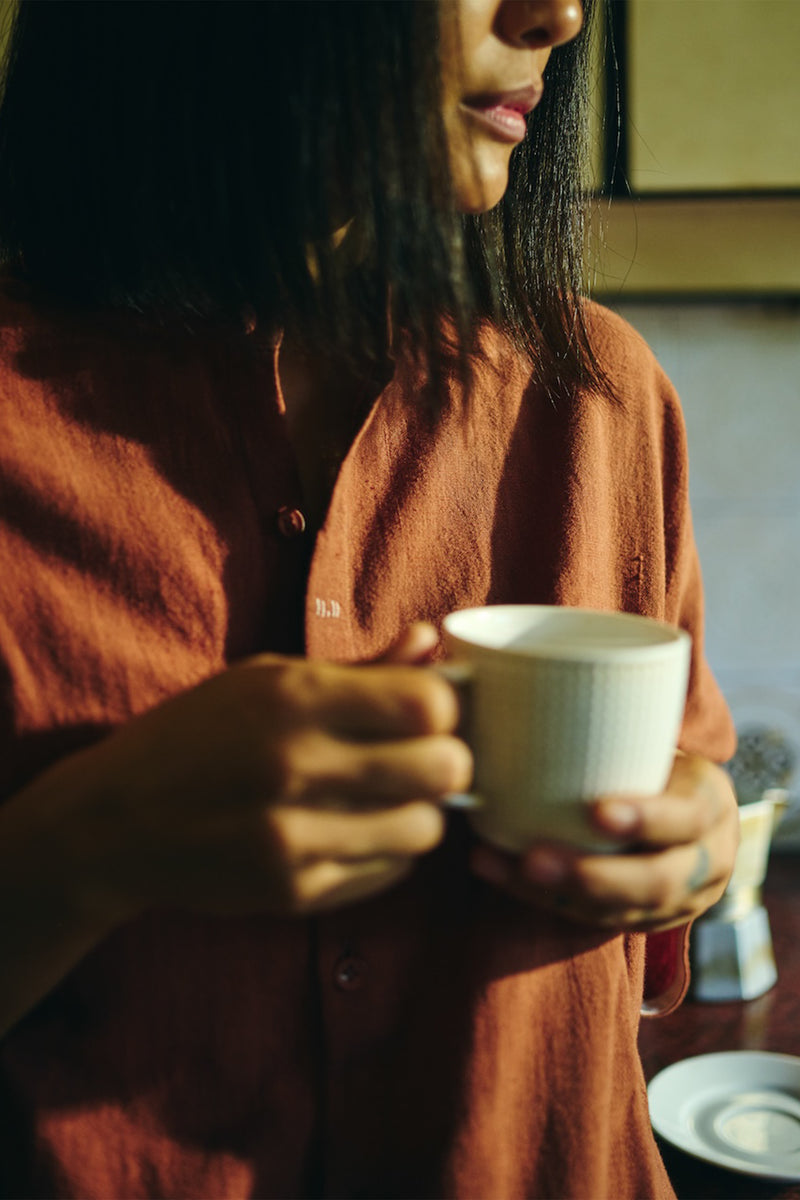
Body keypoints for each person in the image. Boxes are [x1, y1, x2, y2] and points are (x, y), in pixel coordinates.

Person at [0, 1, 738, 1197]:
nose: (557, 15)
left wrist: (693, 849)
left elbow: (691, 807)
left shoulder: (600, 397)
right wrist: (90, 844)